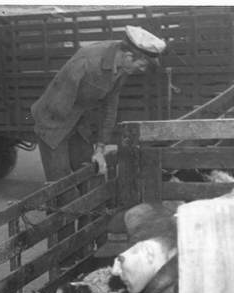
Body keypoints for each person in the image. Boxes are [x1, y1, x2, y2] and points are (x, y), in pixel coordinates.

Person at [31, 26, 166, 182]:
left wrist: (101, 147)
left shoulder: (122, 68)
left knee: (90, 172)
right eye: (141, 65)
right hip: (53, 123)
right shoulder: (87, 63)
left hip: (79, 121)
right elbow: (57, 103)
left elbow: (110, 109)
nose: (141, 70)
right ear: (129, 56)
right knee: (60, 183)